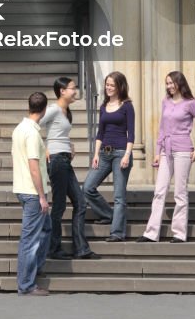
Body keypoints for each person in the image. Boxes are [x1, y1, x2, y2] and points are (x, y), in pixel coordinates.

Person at [137, 71, 195, 244]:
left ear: (179, 83)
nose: (169, 86)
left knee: (180, 192)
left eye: (171, 83)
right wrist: (157, 151)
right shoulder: (166, 102)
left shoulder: (190, 103)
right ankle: (151, 233)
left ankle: (179, 233)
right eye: (167, 83)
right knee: (159, 191)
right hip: (166, 151)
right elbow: (162, 128)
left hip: (183, 150)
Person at [40, 77, 101, 261]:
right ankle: (53, 248)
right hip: (57, 161)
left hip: (64, 160)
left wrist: (69, 145)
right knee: (59, 206)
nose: (76, 91)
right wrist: (45, 148)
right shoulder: (53, 109)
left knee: (80, 203)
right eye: (73, 88)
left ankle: (81, 248)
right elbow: (34, 125)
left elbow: (59, 133)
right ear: (62, 91)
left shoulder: (66, 111)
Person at [82, 71, 135, 242]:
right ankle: (109, 214)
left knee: (119, 196)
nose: (109, 88)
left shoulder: (127, 105)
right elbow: (100, 132)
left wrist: (127, 155)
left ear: (120, 86)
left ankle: (117, 232)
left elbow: (131, 134)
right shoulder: (103, 105)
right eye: (107, 84)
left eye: (112, 85)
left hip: (121, 153)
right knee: (88, 187)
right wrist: (96, 154)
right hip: (104, 153)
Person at [11, 90, 52, 295]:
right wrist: (42, 196)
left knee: (46, 229)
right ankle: (26, 285)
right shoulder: (33, 133)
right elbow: (33, 166)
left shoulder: (19, 129)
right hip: (33, 192)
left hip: (21, 188)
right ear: (44, 110)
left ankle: (35, 268)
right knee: (30, 239)